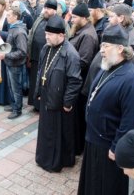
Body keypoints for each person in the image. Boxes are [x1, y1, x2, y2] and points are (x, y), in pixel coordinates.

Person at [78, 25, 134, 195]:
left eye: (106, 46)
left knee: (105, 186)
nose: (102, 50)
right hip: (94, 138)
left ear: (120, 48)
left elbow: (129, 120)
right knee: (92, 183)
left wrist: (116, 147)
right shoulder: (107, 66)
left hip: (109, 146)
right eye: (101, 46)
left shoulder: (131, 78)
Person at [34, 15, 82, 172]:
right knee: (46, 130)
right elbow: (40, 71)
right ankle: (44, 157)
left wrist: (68, 102)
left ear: (61, 35)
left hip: (60, 102)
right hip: (47, 98)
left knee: (58, 134)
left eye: (49, 35)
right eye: (46, 34)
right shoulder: (46, 48)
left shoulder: (71, 54)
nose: (46, 37)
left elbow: (75, 81)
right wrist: (39, 91)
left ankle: (57, 162)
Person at [28, 0, 68, 112]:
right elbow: (31, 35)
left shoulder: (60, 22)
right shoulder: (39, 19)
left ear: (55, 10)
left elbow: (66, 38)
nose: (46, 10)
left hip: (51, 59)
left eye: (49, 8)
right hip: (36, 57)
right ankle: (35, 103)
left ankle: (44, 105)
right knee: (35, 81)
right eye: (45, 8)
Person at [69, 2, 99, 155]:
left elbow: (83, 61)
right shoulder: (82, 30)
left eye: (74, 17)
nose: (72, 20)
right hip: (76, 79)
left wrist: (66, 70)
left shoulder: (87, 35)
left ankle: (77, 146)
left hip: (79, 81)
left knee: (78, 118)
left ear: (83, 18)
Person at [0, 7, 28, 119]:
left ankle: (17, 109)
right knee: (11, 86)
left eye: (9, 15)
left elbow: (22, 52)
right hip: (10, 62)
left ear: (15, 17)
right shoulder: (13, 27)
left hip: (15, 64)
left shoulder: (19, 31)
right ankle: (14, 104)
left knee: (16, 88)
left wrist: (5, 55)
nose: (7, 17)